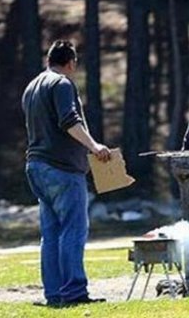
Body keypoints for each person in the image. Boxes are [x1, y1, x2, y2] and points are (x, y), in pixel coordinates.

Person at [22, 40, 111, 307]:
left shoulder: (32, 86)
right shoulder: (61, 84)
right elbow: (69, 120)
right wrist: (95, 147)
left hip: (36, 166)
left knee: (50, 234)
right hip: (61, 168)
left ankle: (55, 294)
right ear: (71, 62)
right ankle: (74, 292)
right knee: (74, 230)